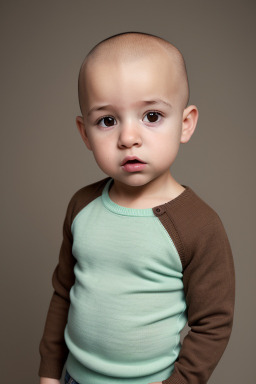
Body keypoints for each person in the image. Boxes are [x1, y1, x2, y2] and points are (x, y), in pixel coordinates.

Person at [38, 32, 235, 384]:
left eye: (152, 115)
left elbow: (213, 324)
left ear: (185, 124)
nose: (129, 138)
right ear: (85, 133)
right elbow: (64, 292)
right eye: (107, 121)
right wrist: (49, 372)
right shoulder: (82, 206)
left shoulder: (198, 226)